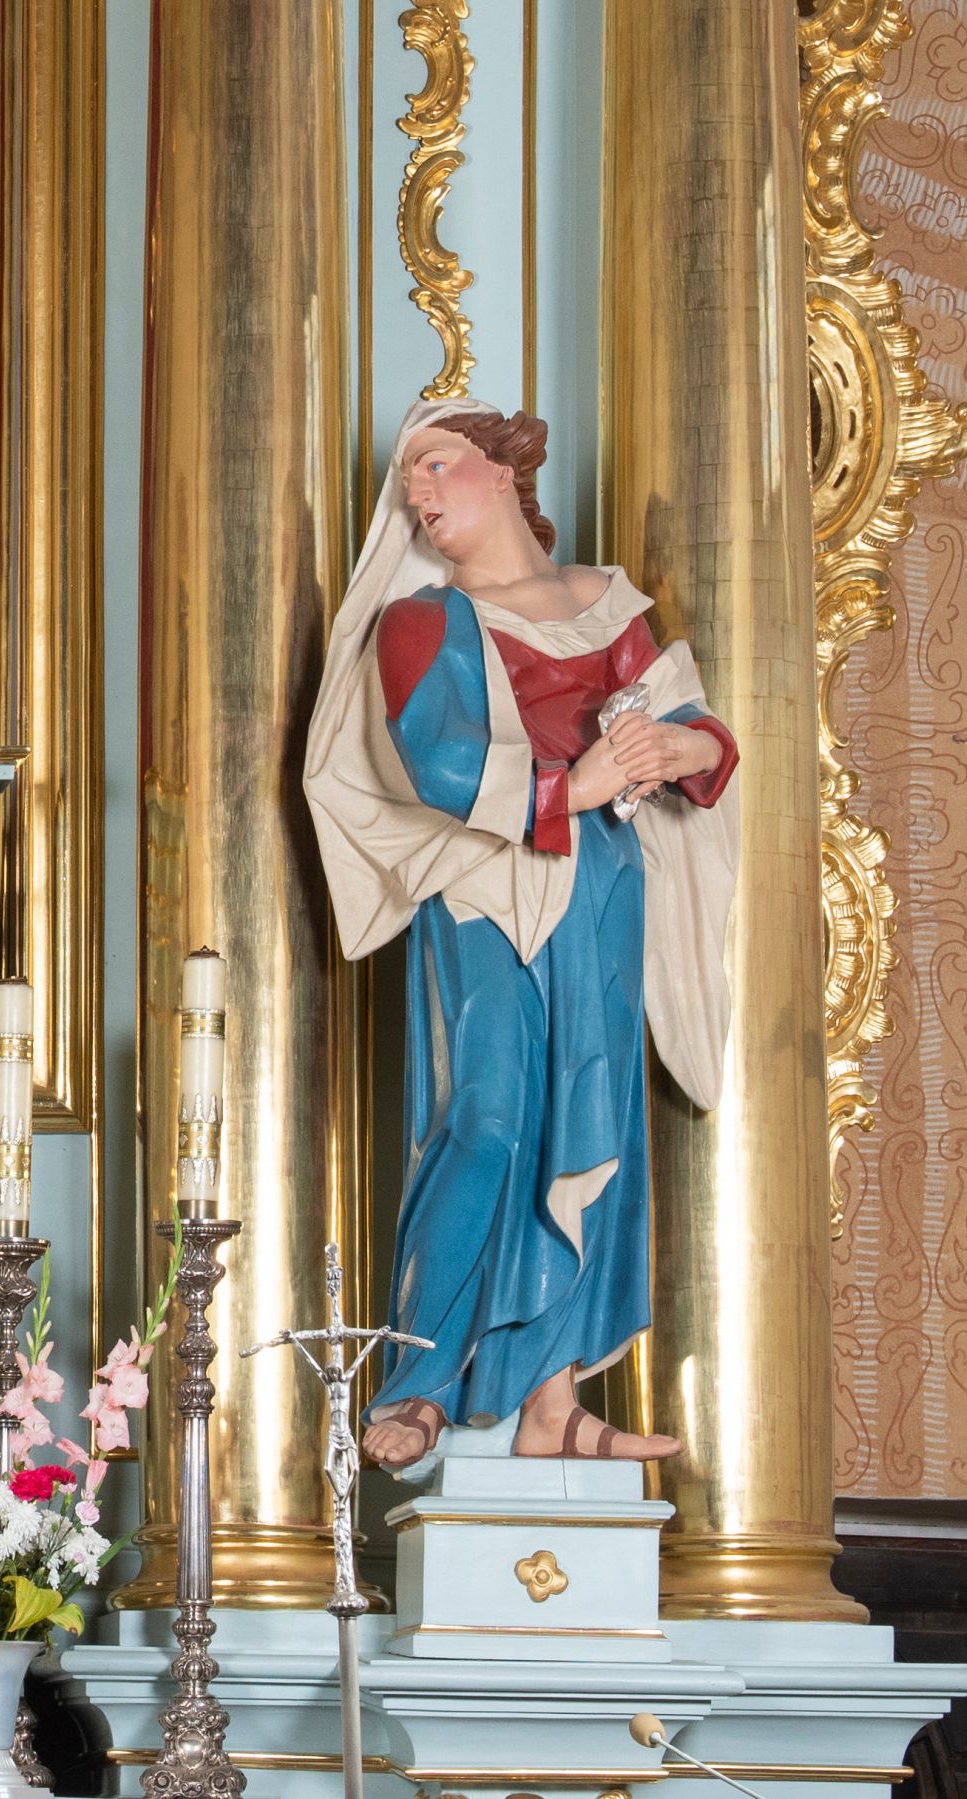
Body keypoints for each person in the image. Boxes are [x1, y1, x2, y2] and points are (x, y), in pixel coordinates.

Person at [304, 402, 738, 1467]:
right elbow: (438, 759)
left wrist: (679, 751)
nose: (419, 493)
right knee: (489, 1116)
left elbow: (691, 723)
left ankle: (555, 1401)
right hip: (489, 885)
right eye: (408, 480)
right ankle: (420, 1380)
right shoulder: (421, 622)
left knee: (590, 1118)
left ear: (502, 471)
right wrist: (572, 784)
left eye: (437, 465)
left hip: (604, 884)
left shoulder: (605, 603)